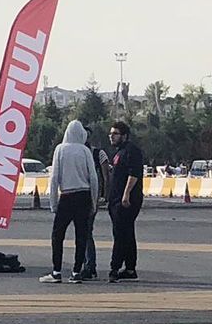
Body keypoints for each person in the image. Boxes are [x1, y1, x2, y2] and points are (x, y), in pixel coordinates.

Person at [40, 120, 99, 284]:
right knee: (81, 235)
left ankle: (56, 271)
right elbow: (93, 178)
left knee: (57, 235)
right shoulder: (86, 151)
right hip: (84, 196)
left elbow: (54, 178)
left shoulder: (60, 149)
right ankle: (76, 272)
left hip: (67, 196)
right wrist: (94, 202)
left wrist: (53, 202)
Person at [107, 120, 145, 282]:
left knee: (121, 234)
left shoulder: (131, 151)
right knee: (127, 233)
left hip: (126, 200)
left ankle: (114, 268)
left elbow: (134, 173)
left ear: (124, 136)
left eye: (115, 134)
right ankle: (130, 268)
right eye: (111, 133)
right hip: (116, 199)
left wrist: (126, 194)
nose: (111, 136)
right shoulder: (119, 152)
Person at [76, 129, 111, 281]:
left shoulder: (98, 154)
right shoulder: (76, 153)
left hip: (92, 197)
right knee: (83, 230)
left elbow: (105, 176)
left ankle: (90, 265)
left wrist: (104, 196)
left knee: (86, 230)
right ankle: (86, 264)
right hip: (79, 195)